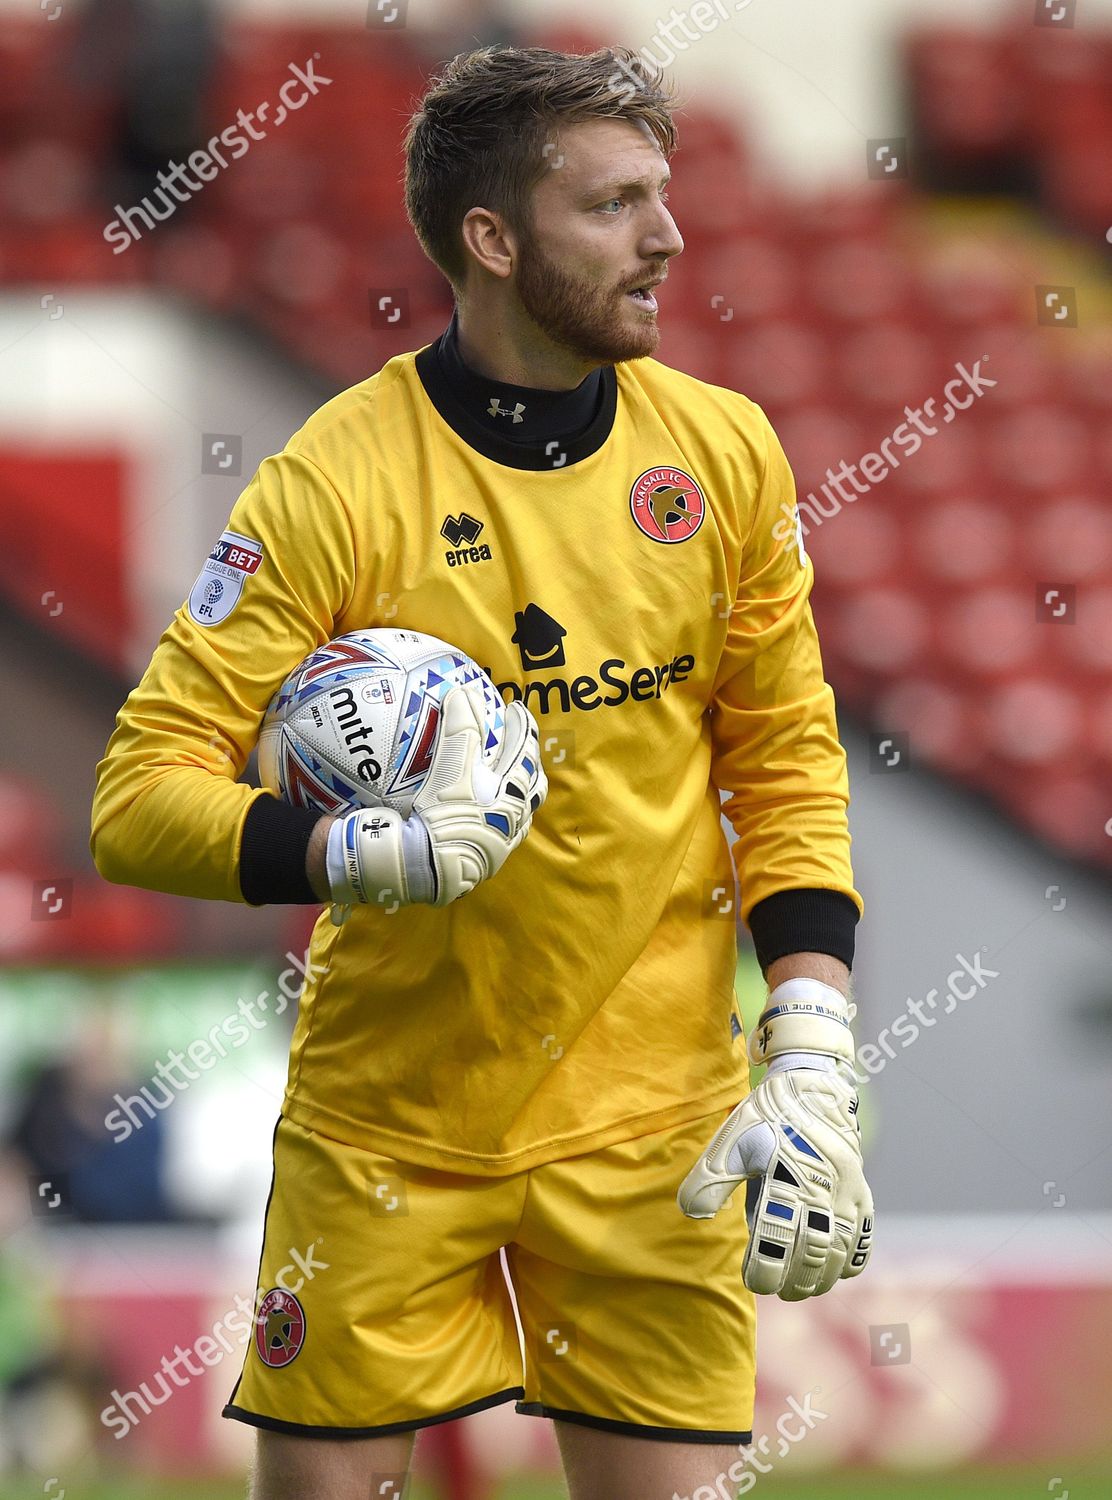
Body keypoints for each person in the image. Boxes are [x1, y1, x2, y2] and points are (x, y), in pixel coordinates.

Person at [91, 44, 874, 1500]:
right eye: (615, 204)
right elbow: (139, 799)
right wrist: (336, 853)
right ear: (492, 241)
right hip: (392, 1125)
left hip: (656, 1130)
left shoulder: (724, 456)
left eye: (665, 195)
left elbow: (786, 764)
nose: (668, 236)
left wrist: (814, 1043)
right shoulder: (331, 484)